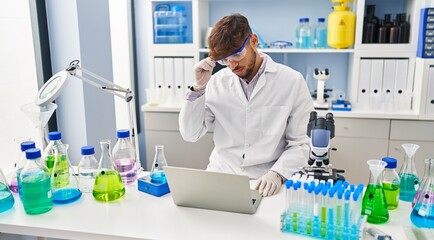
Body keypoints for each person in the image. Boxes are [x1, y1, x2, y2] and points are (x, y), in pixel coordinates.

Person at [179, 13, 314, 197]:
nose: (232, 65)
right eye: (225, 60)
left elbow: (301, 143)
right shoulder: (216, 82)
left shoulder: (292, 81)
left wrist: (277, 173)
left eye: (237, 54)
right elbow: (191, 134)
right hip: (221, 174)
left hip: (267, 180)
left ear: (254, 41)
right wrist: (198, 88)